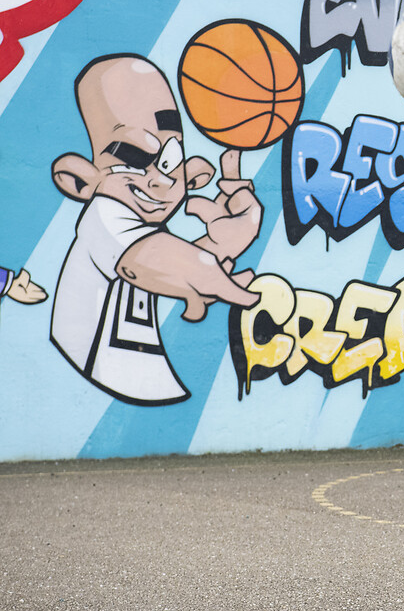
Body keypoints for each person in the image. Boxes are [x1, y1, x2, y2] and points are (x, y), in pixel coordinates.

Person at [50, 55, 262, 404]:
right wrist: (207, 272)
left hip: (141, 379)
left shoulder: (142, 229)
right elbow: (154, 259)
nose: (162, 180)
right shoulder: (103, 215)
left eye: (170, 159)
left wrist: (237, 228)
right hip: (100, 374)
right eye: (132, 157)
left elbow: (177, 258)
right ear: (79, 179)